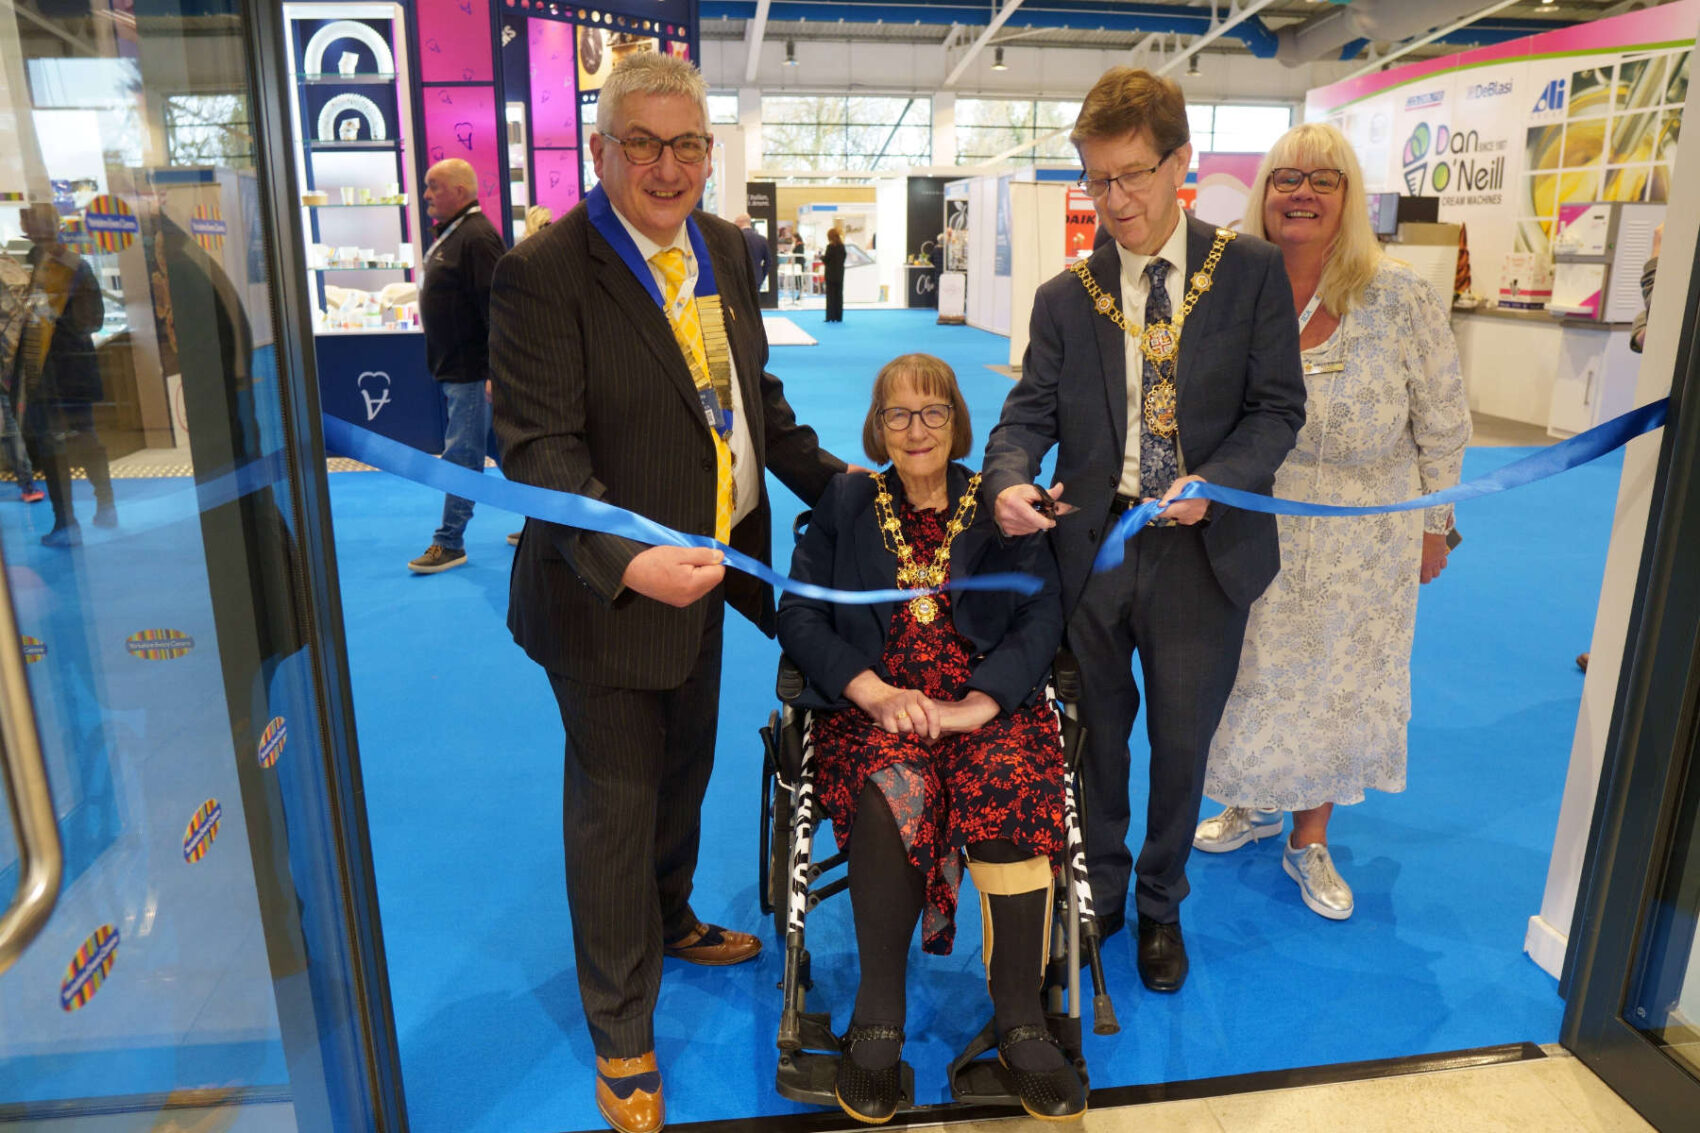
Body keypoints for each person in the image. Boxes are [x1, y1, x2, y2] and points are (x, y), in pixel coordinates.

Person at [487, 52, 849, 1133]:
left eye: (686, 144)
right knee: (616, 802)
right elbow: (539, 449)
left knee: (685, 763)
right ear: (602, 151)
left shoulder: (723, 249)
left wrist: (849, 490)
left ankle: (671, 913)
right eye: (641, 144)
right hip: (602, 595)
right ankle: (621, 1027)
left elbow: (749, 399)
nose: (666, 166)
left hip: (711, 573)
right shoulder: (545, 272)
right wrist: (625, 560)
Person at [980, 67, 1305, 993]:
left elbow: (1278, 409)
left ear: (1180, 163)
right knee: (1097, 738)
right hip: (1093, 550)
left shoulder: (1248, 273)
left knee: (1181, 741)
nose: (1114, 200)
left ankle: (1162, 902)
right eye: (1097, 179)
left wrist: (1220, 482)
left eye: (1132, 175)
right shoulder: (1066, 297)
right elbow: (1027, 413)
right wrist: (1008, 478)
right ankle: (1104, 889)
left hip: (1203, 551)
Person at [778, 353, 1084, 1123]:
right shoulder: (847, 499)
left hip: (982, 709)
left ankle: (1020, 1016)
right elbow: (800, 612)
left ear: (957, 419)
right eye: (898, 414)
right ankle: (878, 1014)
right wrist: (871, 690)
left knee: (1009, 775)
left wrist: (980, 704)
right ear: (877, 426)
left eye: (933, 411)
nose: (916, 429)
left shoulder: (999, 506)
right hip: (876, 713)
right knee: (894, 788)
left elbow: (1042, 612)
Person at [1193, 123, 1470, 919]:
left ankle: (1309, 836)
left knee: (1336, 682)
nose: (1303, 192)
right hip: (1254, 523)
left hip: (1366, 536)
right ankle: (1251, 799)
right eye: (1287, 177)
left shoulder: (1401, 295)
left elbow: (1444, 420)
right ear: (1264, 192)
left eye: (1324, 179)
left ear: (1349, 196)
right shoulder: (1233, 289)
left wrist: (1435, 524)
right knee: (1248, 674)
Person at [407, 158, 506, 574]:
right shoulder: (456, 234)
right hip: (459, 369)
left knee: (461, 458)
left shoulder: (477, 238)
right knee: (506, 451)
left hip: (472, 373)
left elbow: (498, 309)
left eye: (434, 186)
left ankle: (449, 541)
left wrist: (495, 372)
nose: (426, 194)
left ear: (460, 191)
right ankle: (548, 523)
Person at [13, 203, 114, 546]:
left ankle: (92, 511)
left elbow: (92, 320)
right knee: (62, 443)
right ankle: (71, 519)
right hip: (52, 373)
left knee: (75, 441)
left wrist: (53, 321)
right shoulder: (39, 266)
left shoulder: (72, 268)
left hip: (67, 371)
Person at [734, 212, 770, 291]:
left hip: (739, 279)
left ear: (740, 222)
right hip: (757, 278)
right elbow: (768, 261)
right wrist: (761, 275)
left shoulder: (735, 238)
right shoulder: (762, 239)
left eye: (735, 222)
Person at [823, 226, 847, 322]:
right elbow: (843, 258)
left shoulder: (830, 247)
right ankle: (839, 316)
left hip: (830, 275)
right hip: (839, 274)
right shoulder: (842, 247)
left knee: (830, 296)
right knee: (839, 295)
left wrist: (821, 257)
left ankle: (830, 317)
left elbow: (826, 260)